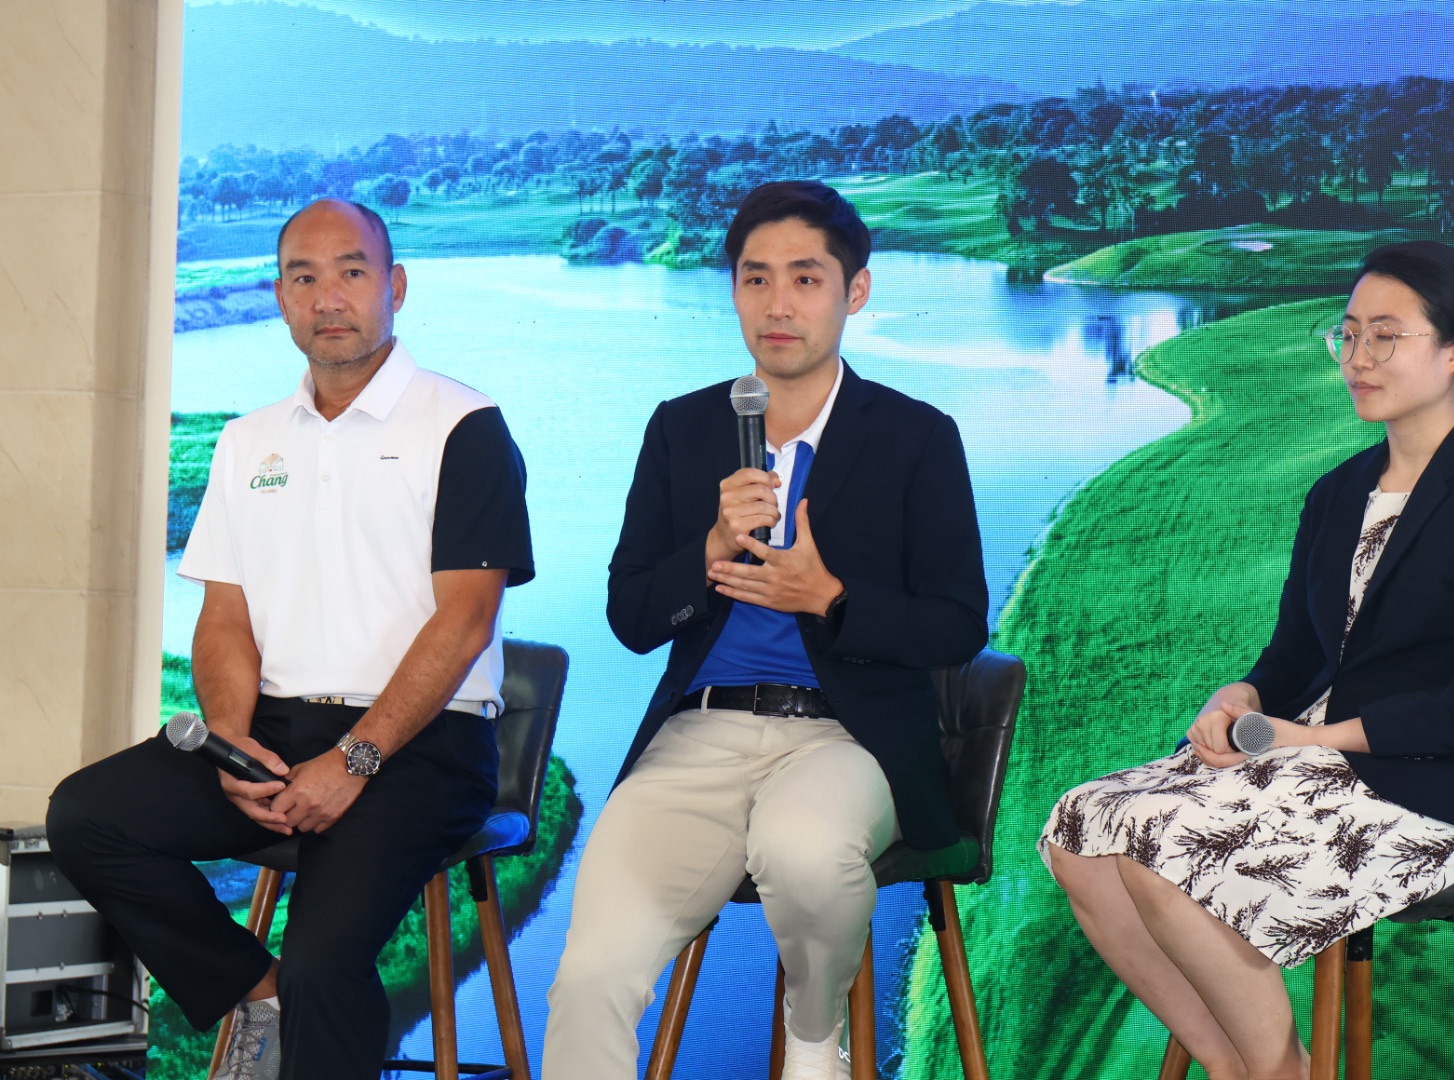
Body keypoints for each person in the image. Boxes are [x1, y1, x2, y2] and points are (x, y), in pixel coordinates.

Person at [1040, 240, 1454, 1080]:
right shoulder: (1337, 493)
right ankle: (1240, 1066)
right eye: (1348, 335)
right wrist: (1240, 696)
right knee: (1079, 826)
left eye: (1385, 336)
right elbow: (1291, 656)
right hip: (1310, 760)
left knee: (1164, 847)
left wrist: (1313, 740)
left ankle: (1281, 1069)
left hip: (1432, 788)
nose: (1358, 358)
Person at [46, 199, 534, 1080]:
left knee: (324, 963)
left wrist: (353, 760)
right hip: (275, 730)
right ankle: (257, 992)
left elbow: (465, 620)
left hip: (422, 746)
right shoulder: (247, 442)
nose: (328, 297)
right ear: (279, 297)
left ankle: (297, 995)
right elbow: (225, 618)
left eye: (351, 272)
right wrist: (232, 747)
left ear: (395, 287)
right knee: (87, 817)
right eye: (304, 277)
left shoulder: (463, 425)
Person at [541, 180, 989, 1080]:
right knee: (590, 979)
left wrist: (830, 599)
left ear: (854, 292)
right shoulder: (682, 428)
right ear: (735, 291)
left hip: (847, 736)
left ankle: (813, 1038)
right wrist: (709, 549)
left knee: (805, 852)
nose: (778, 304)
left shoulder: (916, 436)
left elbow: (957, 624)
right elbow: (632, 617)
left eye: (805, 279)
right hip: (697, 735)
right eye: (756, 279)